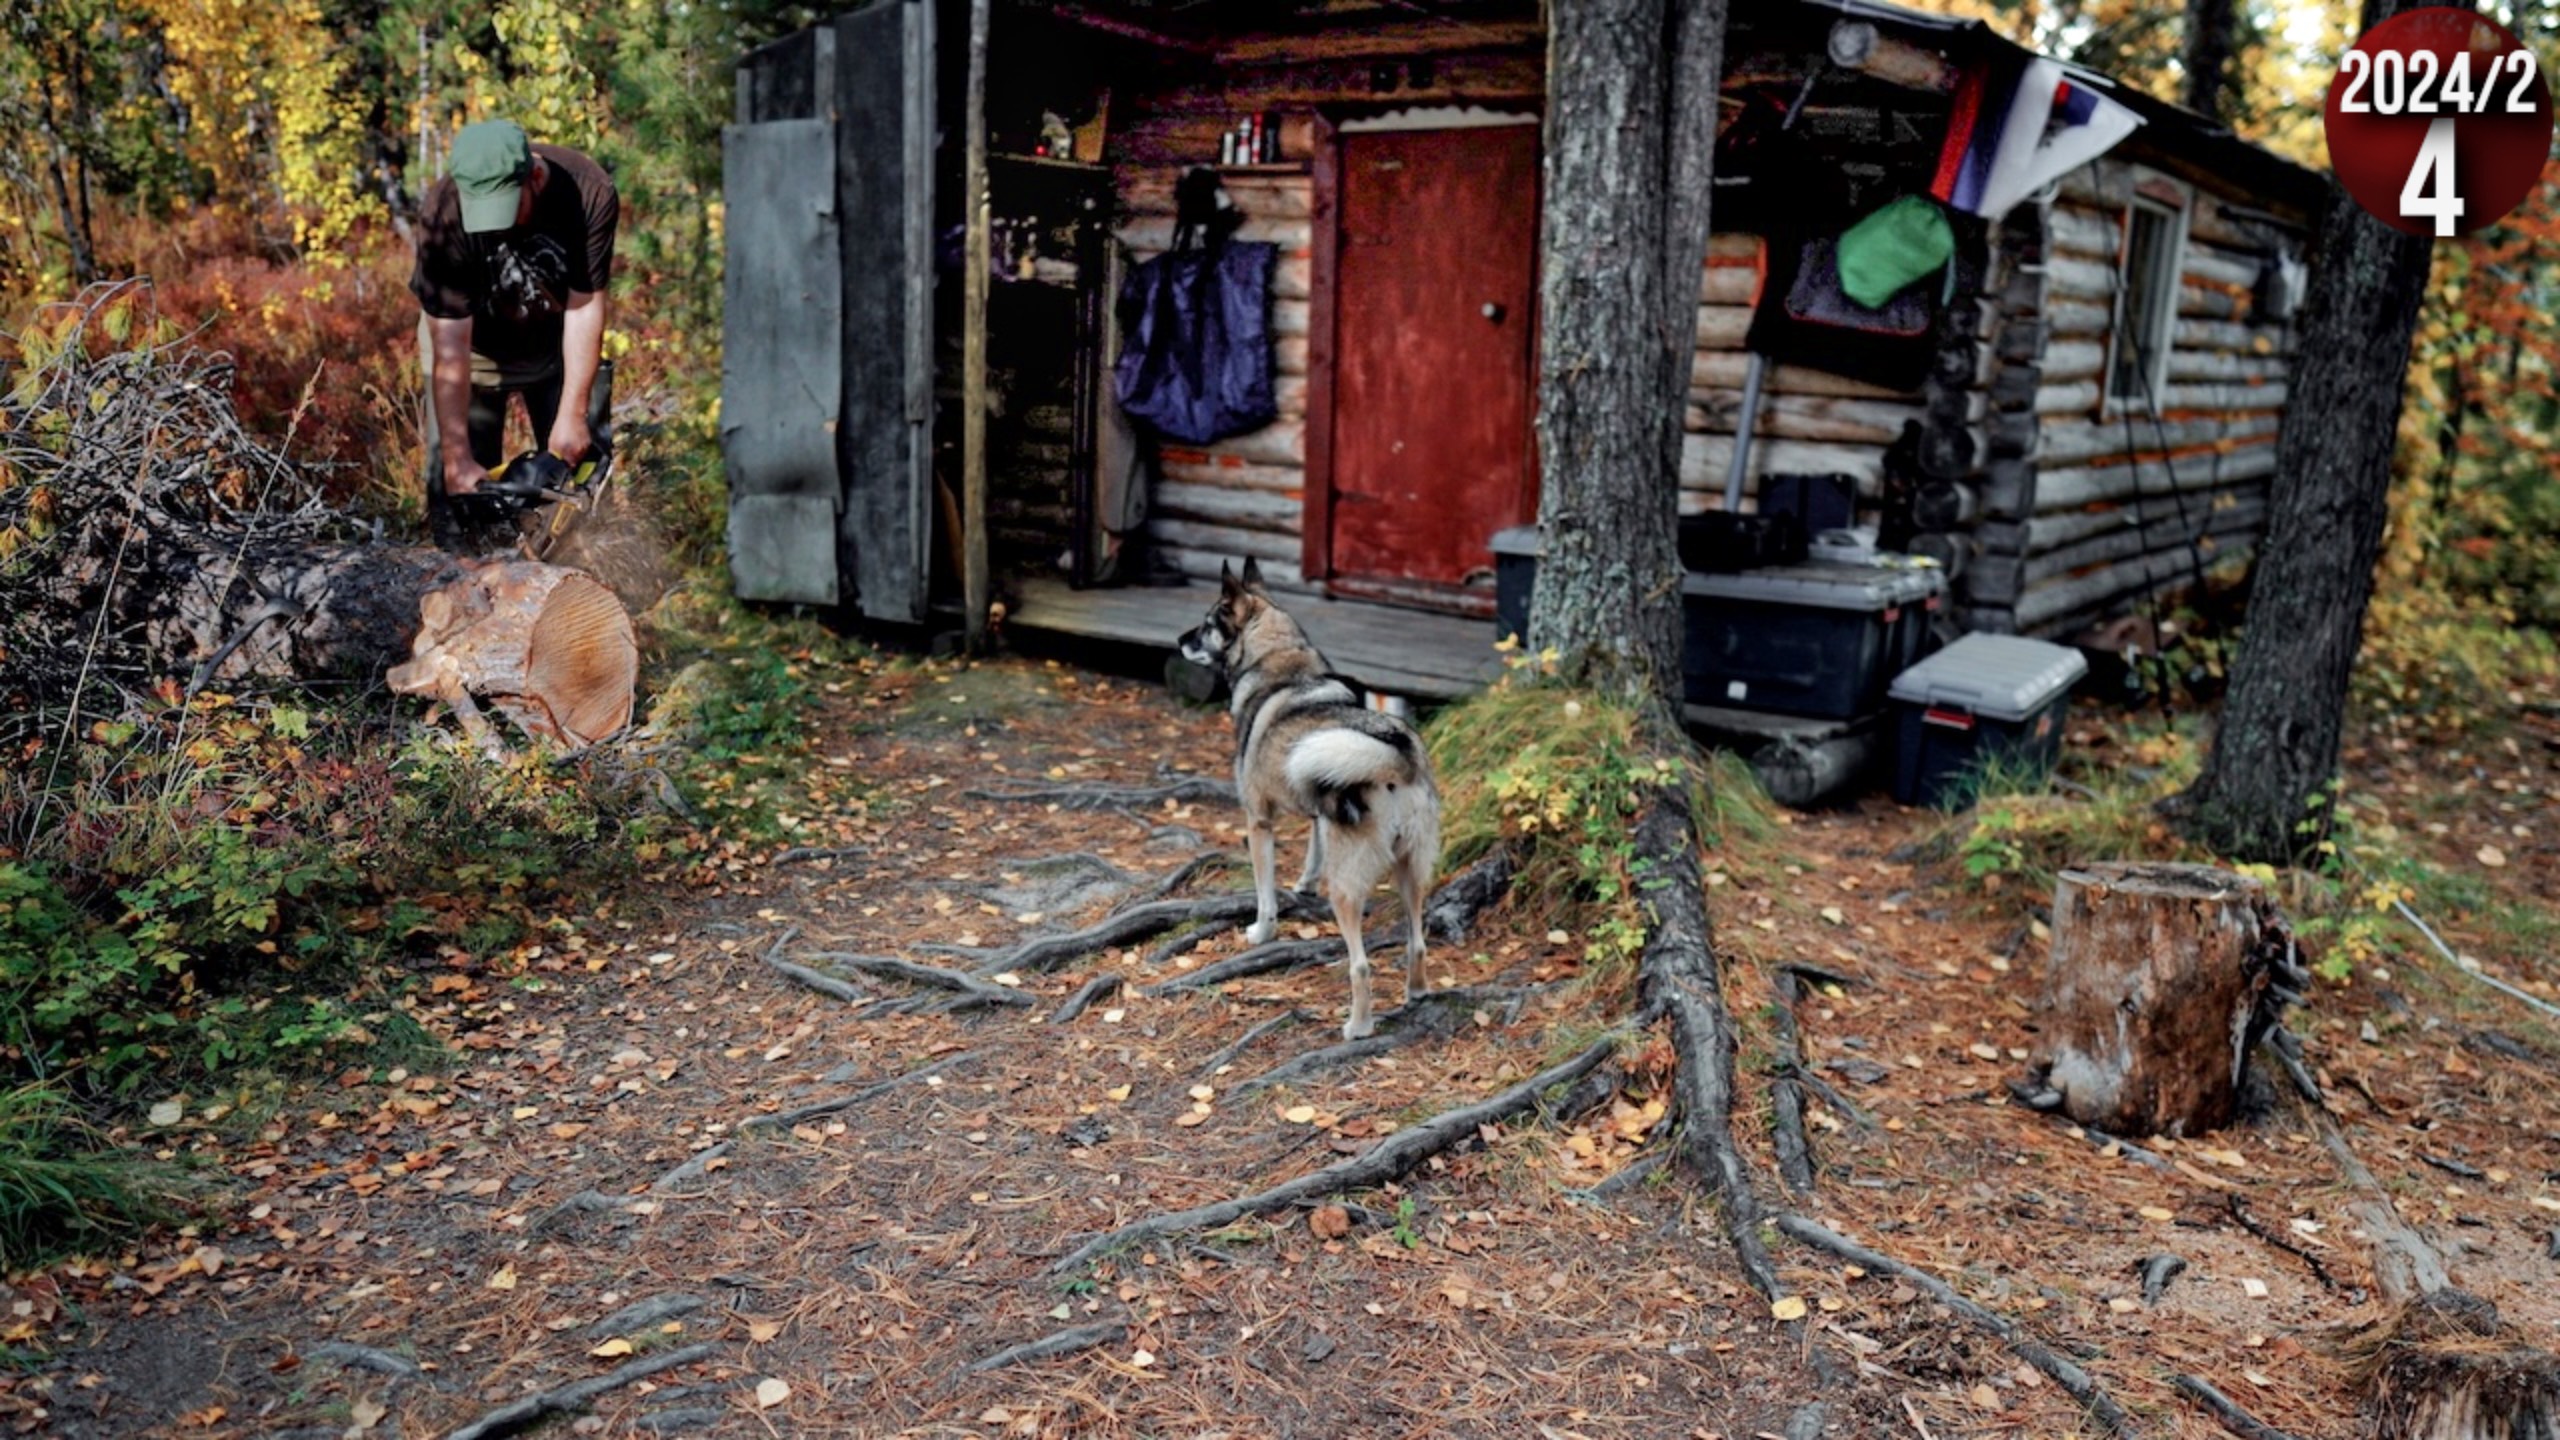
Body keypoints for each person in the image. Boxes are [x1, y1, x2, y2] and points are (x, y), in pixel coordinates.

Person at [410, 119, 619, 546]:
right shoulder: (443, 212)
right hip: (472, 356)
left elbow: (584, 306)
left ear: (535, 178)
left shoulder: (588, 191)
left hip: (558, 348)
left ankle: (586, 579)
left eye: (505, 208)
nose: (494, 227)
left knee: (585, 491)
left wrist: (573, 415)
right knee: (461, 509)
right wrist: (457, 455)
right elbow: (449, 343)